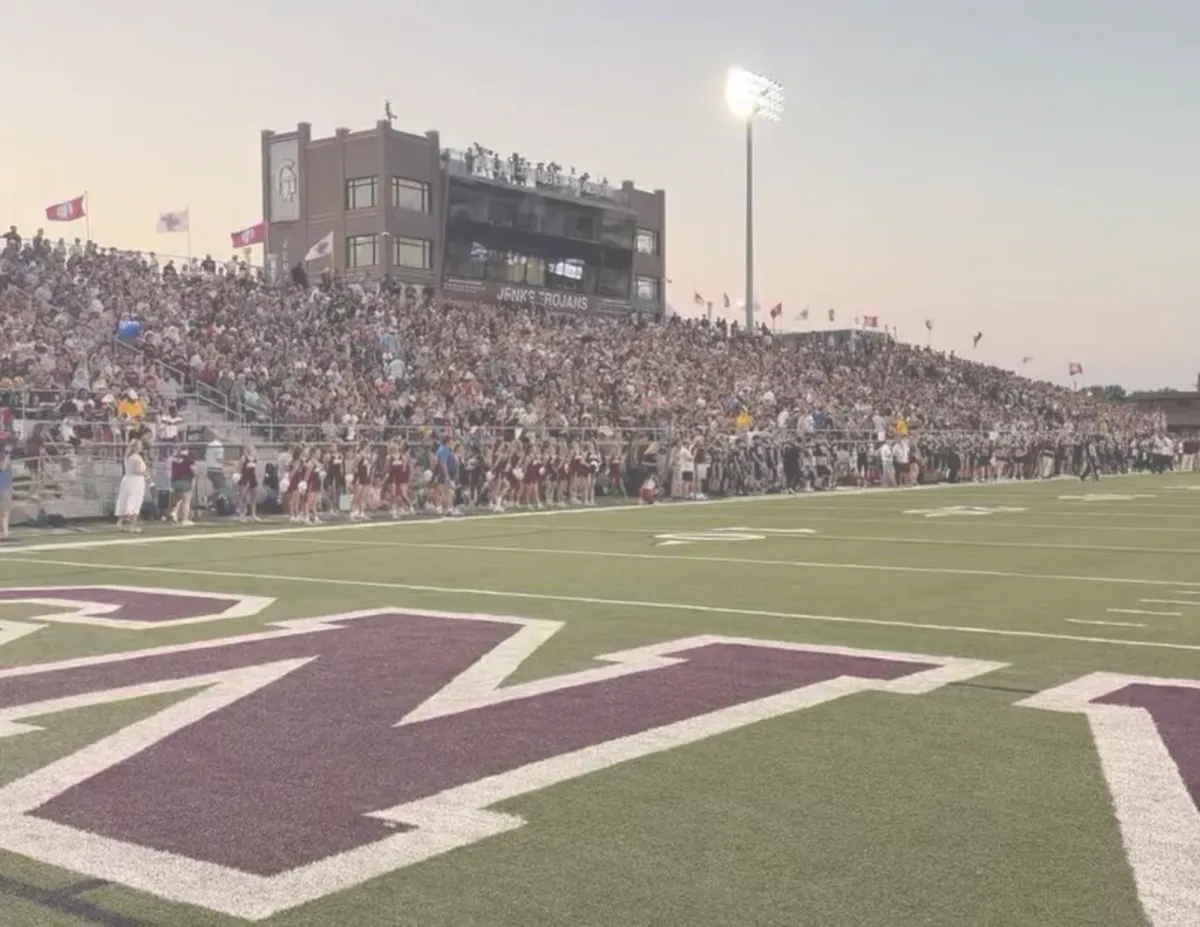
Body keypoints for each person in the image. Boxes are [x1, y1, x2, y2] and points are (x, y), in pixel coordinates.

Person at [115, 439, 148, 532]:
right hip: (135, 481)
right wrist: (146, 474)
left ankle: (121, 522)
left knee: (125, 500)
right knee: (135, 502)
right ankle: (132, 525)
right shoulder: (136, 457)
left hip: (128, 480)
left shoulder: (128, 456)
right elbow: (137, 470)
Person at [0, 444, 12, 542]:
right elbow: (3, 467)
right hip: (2, 487)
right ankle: (5, 532)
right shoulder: (4, 459)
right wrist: (8, 454)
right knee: (4, 511)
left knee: (4, 512)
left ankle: (5, 532)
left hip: (5, 486)